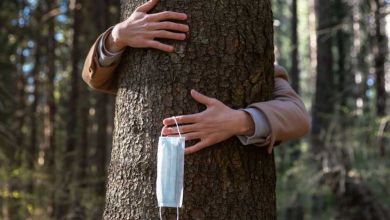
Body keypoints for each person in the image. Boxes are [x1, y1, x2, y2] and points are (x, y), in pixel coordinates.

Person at [82, 0, 310, 154]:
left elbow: (298, 117)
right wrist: (117, 36)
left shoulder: (256, 68)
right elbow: (94, 77)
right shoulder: (134, 55)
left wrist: (239, 121)